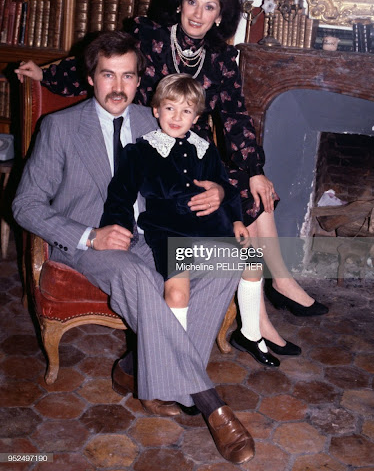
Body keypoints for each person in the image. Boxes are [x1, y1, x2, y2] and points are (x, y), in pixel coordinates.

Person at [15, 0, 327, 360]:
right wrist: (46, 75)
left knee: (251, 191)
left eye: (209, 7)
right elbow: (108, 67)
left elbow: (235, 116)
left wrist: (254, 171)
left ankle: (267, 300)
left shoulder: (221, 58)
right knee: (233, 210)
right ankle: (260, 312)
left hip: (190, 151)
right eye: (192, 2)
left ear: (220, 16)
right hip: (151, 147)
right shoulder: (149, 38)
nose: (198, 13)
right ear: (179, 2)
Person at [12, 31, 255, 465]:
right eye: (108, 75)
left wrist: (219, 191)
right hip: (88, 242)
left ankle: (136, 370)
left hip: (153, 235)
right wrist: (91, 236)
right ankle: (209, 402)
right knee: (137, 276)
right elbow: (25, 204)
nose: (118, 86)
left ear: (140, 80)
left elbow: (202, 165)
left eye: (128, 76)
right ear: (91, 78)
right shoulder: (60, 127)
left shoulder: (157, 118)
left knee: (228, 260)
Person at [101, 73, 292, 366]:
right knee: (178, 293)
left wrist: (236, 220)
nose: (177, 117)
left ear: (196, 117)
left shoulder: (205, 149)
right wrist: (118, 229)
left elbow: (225, 187)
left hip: (211, 228)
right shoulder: (140, 151)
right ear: (156, 110)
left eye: (186, 111)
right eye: (170, 108)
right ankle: (172, 362)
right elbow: (120, 196)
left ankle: (250, 334)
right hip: (171, 233)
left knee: (253, 263)